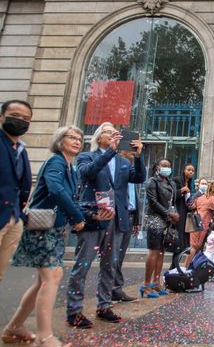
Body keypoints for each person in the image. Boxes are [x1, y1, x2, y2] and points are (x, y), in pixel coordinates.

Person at [6, 126, 90, 347]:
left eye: (80, 138)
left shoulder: (71, 167)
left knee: (44, 279)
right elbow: (55, 190)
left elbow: (70, 196)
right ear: (59, 140)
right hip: (43, 227)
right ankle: (44, 338)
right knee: (52, 276)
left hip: (54, 227)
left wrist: (84, 214)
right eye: (71, 137)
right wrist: (77, 216)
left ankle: (14, 327)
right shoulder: (56, 162)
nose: (76, 141)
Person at [66, 122, 145, 328]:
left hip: (116, 218)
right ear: (98, 136)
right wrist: (110, 151)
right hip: (95, 217)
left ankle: (104, 305)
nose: (113, 136)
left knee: (110, 264)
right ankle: (74, 311)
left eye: (115, 133)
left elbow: (138, 178)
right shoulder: (87, 156)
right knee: (83, 264)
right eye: (108, 132)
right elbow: (88, 173)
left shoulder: (122, 161)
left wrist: (138, 157)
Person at [0, 100, 32, 347]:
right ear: (0, 116)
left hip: (11, 219)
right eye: (14, 115)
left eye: (25, 117)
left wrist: (18, 214)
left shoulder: (20, 148)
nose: (19, 120)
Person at [142, 159, 178, 298]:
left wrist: (173, 214)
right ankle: (146, 284)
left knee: (162, 252)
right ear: (157, 167)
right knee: (154, 251)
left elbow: (172, 202)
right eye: (163, 165)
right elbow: (153, 202)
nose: (166, 168)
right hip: (155, 219)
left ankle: (156, 282)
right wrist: (169, 213)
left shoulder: (171, 183)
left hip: (167, 221)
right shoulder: (152, 182)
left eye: (168, 166)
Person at [112, 150, 144, 303]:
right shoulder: (118, 170)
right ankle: (111, 289)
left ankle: (116, 288)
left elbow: (135, 199)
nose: (132, 154)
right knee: (113, 255)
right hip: (117, 215)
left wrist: (137, 221)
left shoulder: (133, 175)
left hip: (130, 216)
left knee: (120, 254)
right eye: (129, 152)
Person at [187, 181, 214, 268]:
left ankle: (190, 267)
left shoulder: (201, 197)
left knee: (194, 246)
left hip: (195, 221)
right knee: (195, 247)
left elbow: (191, 206)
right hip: (202, 223)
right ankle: (187, 268)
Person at [171, 163, 195, 269]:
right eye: (189, 170)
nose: (191, 172)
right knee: (178, 242)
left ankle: (175, 266)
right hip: (177, 214)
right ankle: (173, 266)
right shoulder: (176, 180)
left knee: (183, 243)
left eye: (193, 171)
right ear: (184, 170)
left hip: (186, 215)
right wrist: (181, 191)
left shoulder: (190, 183)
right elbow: (170, 195)